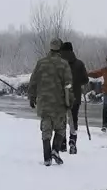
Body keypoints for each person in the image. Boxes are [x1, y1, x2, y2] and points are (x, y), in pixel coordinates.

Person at [28, 38, 73, 166]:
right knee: (60, 129)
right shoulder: (64, 64)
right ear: (60, 49)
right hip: (59, 104)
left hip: (44, 103)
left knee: (46, 130)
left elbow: (33, 81)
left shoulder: (41, 63)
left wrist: (32, 97)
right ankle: (55, 150)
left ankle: (47, 157)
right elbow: (68, 84)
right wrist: (70, 100)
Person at [58, 42, 90, 155]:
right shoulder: (79, 64)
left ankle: (62, 143)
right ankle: (73, 141)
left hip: (61, 97)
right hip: (75, 97)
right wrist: (76, 83)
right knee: (73, 119)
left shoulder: (58, 63)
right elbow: (86, 80)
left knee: (62, 120)